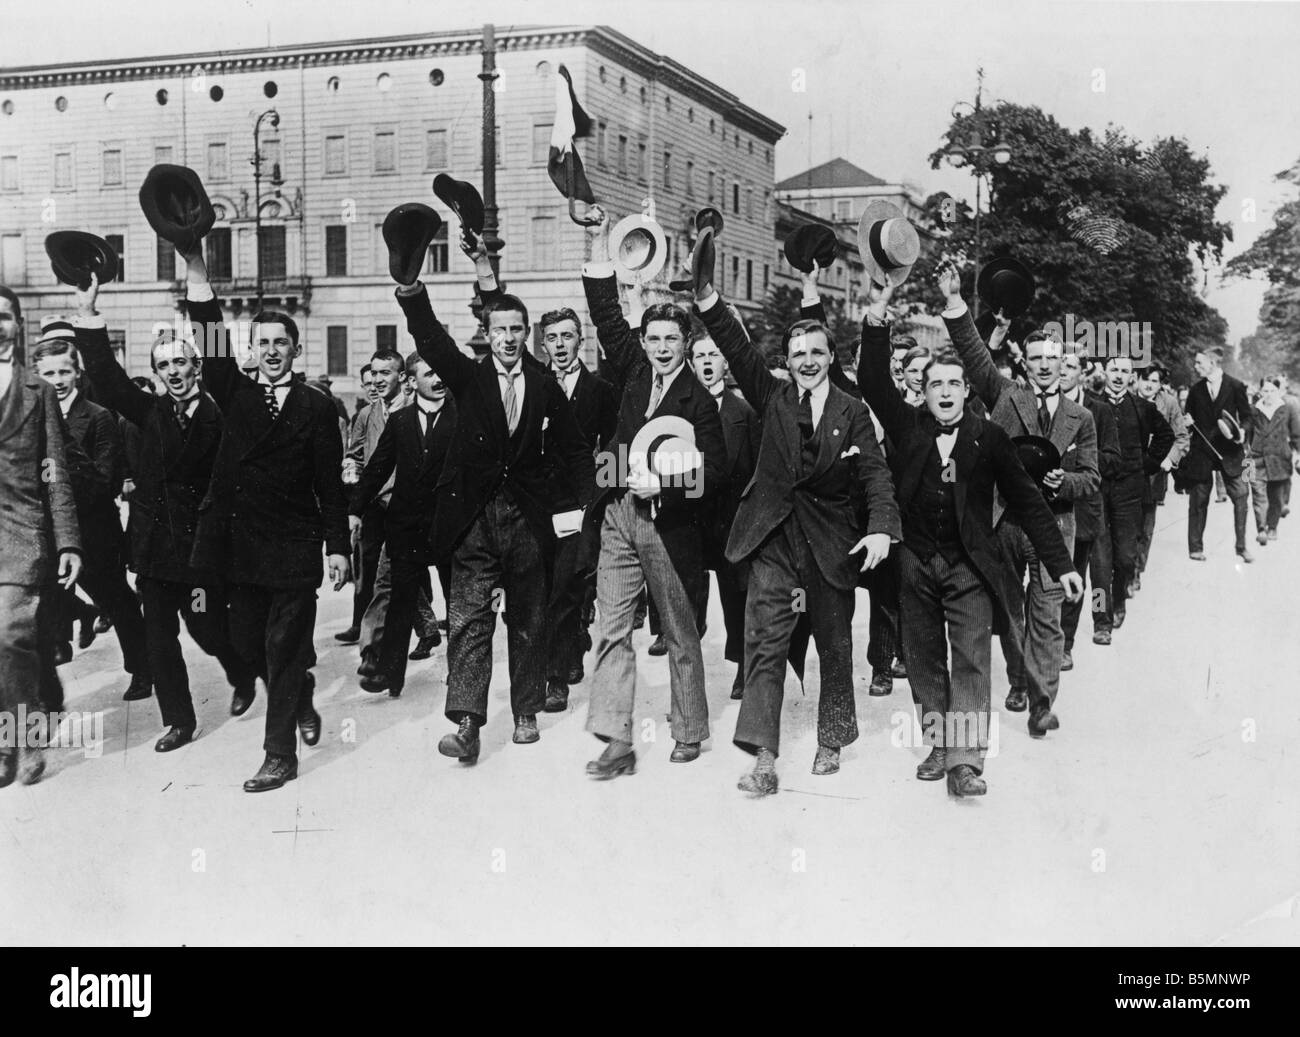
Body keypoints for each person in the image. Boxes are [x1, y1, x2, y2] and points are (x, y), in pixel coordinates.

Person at [857, 282, 1083, 798]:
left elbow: (1028, 501)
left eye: (954, 385)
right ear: (925, 391)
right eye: (935, 385)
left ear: (967, 391)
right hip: (914, 562)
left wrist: (1063, 564)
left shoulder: (990, 437)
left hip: (970, 567)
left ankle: (965, 761)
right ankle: (939, 742)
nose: (944, 393)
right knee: (923, 656)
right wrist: (878, 307)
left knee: (973, 658)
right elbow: (871, 378)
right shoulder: (908, 426)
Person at [390, 228, 594, 764]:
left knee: (528, 619)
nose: (507, 337)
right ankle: (467, 722)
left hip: (529, 521)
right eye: (498, 328)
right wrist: (410, 288)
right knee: (468, 620)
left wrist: (575, 509)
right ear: (487, 331)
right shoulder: (469, 377)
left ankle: (525, 710)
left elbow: (575, 451)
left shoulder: (546, 385)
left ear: (528, 334)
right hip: (473, 520)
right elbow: (430, 338)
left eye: (516, 329)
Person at [695, 270, 899, 794]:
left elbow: (875, 473)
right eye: (797, 353)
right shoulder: (774, 397)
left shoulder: (852, 412)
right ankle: (763, 757)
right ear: (786, 361)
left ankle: (831, 737)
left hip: (831, 545)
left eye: (816, 351)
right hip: (772, 541)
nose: (806, 360)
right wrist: (708, 300)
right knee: (763, 643)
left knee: (834, 645)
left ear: (831, 356)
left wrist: (880, 530)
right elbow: (736, 348)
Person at [180, 239, 350, 793]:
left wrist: (338, 548)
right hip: (242, 548)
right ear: (251, 350)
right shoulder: (236, 395)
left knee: (280, 647)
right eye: (264, 343)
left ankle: (279, 755)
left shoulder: (318, 409)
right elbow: (207, 333)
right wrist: (195, 265)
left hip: (296, 548)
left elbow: (330, 485)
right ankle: (299, 694)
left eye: (282, 343)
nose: (272, 351)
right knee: (245, 641)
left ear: (296, 351)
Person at [72, 273, 257, 751]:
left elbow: (220, 352)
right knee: (158, 639)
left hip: (199, 557)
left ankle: (240, 671)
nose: (173, 371)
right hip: (153, 554)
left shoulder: (221, 415)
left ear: (196, 365)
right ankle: (179, 720)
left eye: (180, 362)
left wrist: (200, 287)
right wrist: (89, 313)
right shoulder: (149, 412)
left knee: (207, 629)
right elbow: (108, 379)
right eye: (163, 365)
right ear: (156, 373)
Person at [579, 210, 727, 778]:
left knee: (680, 629)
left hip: (670, 524)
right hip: (618, 514)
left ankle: (688, 728)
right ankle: (616, 740)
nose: (662, 347)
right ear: (643, 342)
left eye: (672, 339)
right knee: (611, 628)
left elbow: (715, 471)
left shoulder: (701, 401)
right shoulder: (633, 372)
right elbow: (604, 313)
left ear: (687, 343)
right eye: (654, 339)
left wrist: (663, 480)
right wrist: (597, 241)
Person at [940, 276, 1099, 737]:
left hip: (1056, 524)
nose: (1046, 367)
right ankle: (1017, 680)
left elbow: (1091, 477)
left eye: (1053, 360)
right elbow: (973, 354)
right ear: (1025, 365)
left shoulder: (1082, 418)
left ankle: (1042, 702)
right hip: (1006, 520)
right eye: (1037, 360)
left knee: (1047, 615)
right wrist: (954, 302)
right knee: (1010, 611)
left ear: (1064, 366)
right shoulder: (1006, 396)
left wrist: (1063, 480)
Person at [30, 330, 153, 702]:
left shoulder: (99, 418)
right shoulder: (28, 418)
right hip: (46, 531)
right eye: (49, 375)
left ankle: (142, 668)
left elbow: (105, 480)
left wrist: (60, 441)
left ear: (78, 374)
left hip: (94, 527)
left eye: (64, 372)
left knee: (117, 598)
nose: (57, 382)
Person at [0, 284, 83, 787]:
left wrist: (69, 540)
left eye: (4, 316)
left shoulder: (40, 391)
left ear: (17, 324)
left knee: (10, 636)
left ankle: (25, 738)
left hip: (21, 533)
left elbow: (56, 470)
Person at [348, 353, 456, 697]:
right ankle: (390, 675)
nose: (438, 380)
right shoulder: (401, 421)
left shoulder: (461, 418)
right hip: (405, 525)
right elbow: (377, 467)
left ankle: (460, 670)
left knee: (458, 601)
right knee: (400, 601)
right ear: (412, 381)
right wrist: (353, 510)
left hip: (449, 526)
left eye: (441, 373)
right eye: (429, 374)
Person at [686, 333, 760, 702]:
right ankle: (687, 679)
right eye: (700, 355)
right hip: (692, 520)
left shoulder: (742, 413)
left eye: (714, 354)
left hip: (731, 521)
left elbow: (754, 469)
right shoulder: (680, 410)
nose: (707, 362)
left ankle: (745, 666)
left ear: (725, 362)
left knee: (737, 597)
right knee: (688, 599)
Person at [1090, 355, 1174, 639]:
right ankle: (1101, 620)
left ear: (1132, 378)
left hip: (1129, 491)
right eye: (1113, 369)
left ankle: (1119, 600)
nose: (1118, 375)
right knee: (1100, 561)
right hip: (1098, 489)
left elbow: (1166, 437)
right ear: (1105, 372)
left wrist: (1145, 466)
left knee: (1126, 558)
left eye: (1124, 371)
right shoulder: (1091, 404)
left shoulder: (1143, 408)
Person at [1058, 343, 1121, 668]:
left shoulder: (1100, 411)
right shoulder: (1045, 406)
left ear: (1082, 372)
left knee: (1085, 575)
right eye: (1059, 364)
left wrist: (1079, 458)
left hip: (1085, 508)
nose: (1063, 371)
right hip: (1049, 509)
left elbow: (1111, 459)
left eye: (1069, 366)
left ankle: (1068, 643)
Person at [337, 349, 404, 649]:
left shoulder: (415, 408)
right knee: (369, 565)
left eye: (383, 374)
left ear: (402, 377)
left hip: (408, 502)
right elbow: (355, 454)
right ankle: (367, 637)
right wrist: (351, 472)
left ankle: (426, 627)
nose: (376, 381)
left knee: (406, 572)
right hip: (375, 503)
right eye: (372, 375)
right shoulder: (366, 414)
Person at [1183, 346, 1253, 562]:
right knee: (1198, 500)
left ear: (1212, 364)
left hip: (1232, 452)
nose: (1195, 367)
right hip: (1202, 452)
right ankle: (1195, 548)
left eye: (1199, 363)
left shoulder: (1235, 386)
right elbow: (1187, 417)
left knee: (1242, 497)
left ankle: (1241, 547)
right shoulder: (1195, 390)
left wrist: (1242, 432)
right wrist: (1187, 422)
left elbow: (1248, 418)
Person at [1134, 364, 1189, 587]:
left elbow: (1182, 437)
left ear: (1160, 384)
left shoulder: (1169, 403)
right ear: (1136, 379)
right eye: (1145, 379)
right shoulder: (1124, 399)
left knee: (1145, 528)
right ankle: (1121, 570)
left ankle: (1136, 571)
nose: (1148, 385)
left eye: (1154, 381)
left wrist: (1170, 459)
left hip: (1154, 474)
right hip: (1126, 473)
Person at [1248, 375, 1300, 544]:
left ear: (1278, 391)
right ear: (1260, 391)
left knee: (1276, 496)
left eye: (1272, 391)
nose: (1268, 394)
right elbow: (1245, 433)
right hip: (1257, 458)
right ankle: (1261, 528)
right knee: (1258, 494)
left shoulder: (1287, 409)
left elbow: (1296, 434)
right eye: (1265, 390)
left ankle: (1272, 526)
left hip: (1280, 458)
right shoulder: (1253, 410)